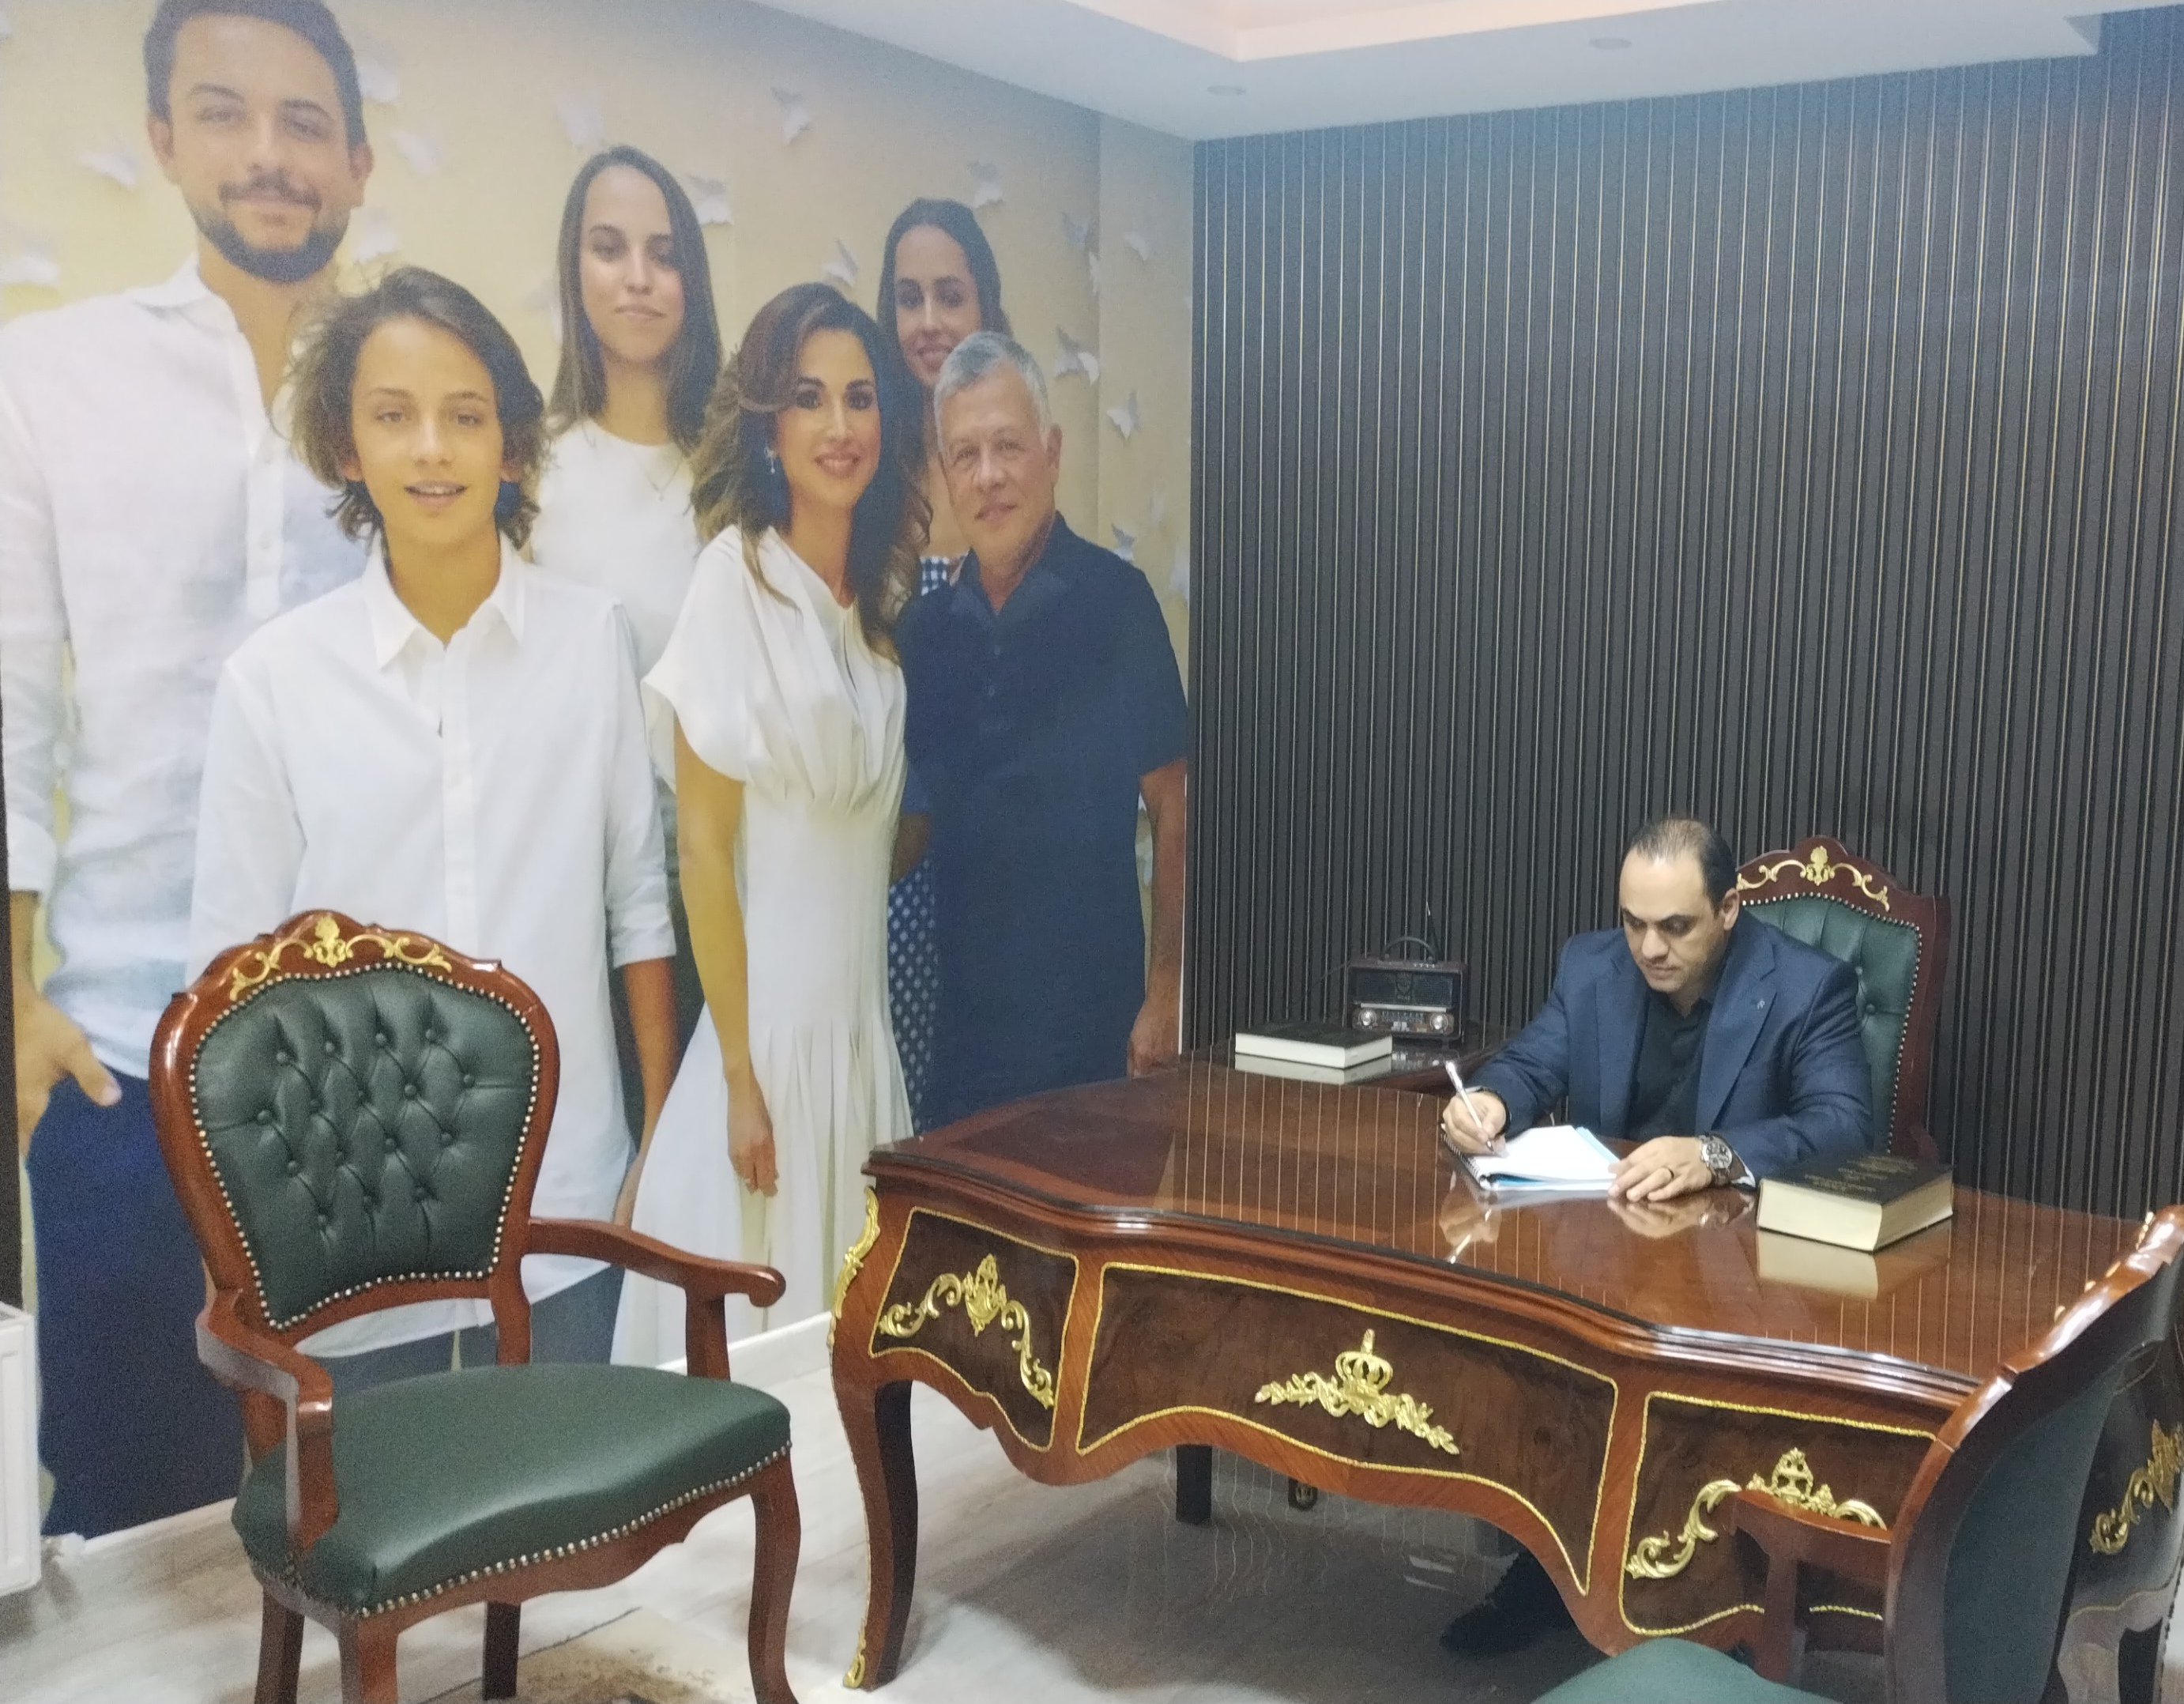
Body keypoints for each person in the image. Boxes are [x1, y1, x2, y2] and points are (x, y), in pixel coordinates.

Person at [0, 0, 373, 1536]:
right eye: (225, 113)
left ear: (356, 162)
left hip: (361, 1061)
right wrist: (15, 1001)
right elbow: (10, 707)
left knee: (358, 1492)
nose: (267, 154)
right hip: (120, 1052)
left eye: (304, 122)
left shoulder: (404, 404)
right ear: (164, 136)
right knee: (131, 1515)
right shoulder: (53, 375)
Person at [187, 267, 676, 1391]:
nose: (431, 450)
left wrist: (655, 1139)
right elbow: (229, 982)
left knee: (565, 1495)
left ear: (512, 448)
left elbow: (638, 905)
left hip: (565, 1210)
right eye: (393, 416)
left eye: (465, 416)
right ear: (345, 447)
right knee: (372, 1503)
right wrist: (239, 1231)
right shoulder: (275, 683)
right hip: (346, 1235)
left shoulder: (590, 642)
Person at [1436, 814, 1872, 1653]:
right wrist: (1489, 1101)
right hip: (1609, 1249)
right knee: (1534, 1356)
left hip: (1742, 1271)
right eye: (1633, 922)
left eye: (1675, 926)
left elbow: (1845, 1126)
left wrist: (1715, 1154)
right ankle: (1545, 1576)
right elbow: (1533, 1062)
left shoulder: (1806, 985)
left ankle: (1704, 1603)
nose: (1649, 948)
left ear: (1729, 909)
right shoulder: (1591, 965)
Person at [614, 282, 928, 1358]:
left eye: (859, 397)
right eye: (808, 397)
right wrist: (742, 1080)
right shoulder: (731, 582)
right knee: (763, 1368)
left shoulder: (872, 616)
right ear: (768, 426)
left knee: (858, 1369)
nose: (839, 425)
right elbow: (703, 854)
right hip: (766, 1066)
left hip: (863, 1054)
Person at [894, 332, 1188, 1125]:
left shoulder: (1117, 603)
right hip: (961, 1052)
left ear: (1051, 453)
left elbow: (1175, 803)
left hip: (1096, 1043)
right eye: (965, 454)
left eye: (1008, 446)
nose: (988, 475)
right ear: (945, 472)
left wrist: (1166, 991)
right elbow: (907, 832)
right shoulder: (923, 632)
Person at [530, 145, 723, 1182]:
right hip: (574, 900)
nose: (639, 278)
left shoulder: (734, 478)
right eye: (610, 249)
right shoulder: (534, 476)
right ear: (576, 269)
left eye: (664, 252)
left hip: (717, 901)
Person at [874, 197, 1012, 1129]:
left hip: (992, 853)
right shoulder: (867, 472)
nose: (928, 321)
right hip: (891, 854)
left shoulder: (1005, 479)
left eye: (950, 295)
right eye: (908, 297)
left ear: (985, 307)